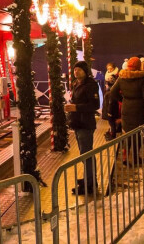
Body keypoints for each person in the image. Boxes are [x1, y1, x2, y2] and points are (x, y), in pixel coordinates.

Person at [64, 61, 100, 195]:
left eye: (79, 70)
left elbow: (95, 105)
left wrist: (76, 107)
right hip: (78, 123)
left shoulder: (90, 85)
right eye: (75, 70)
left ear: (85, 71)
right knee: (84, 154)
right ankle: (89, 179)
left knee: (87, 154)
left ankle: (90, 184)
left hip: (85, 124)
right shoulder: (76, 84)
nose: (76, 72)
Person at [110, 56, 144, 164]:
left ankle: (124, 157)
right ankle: (136, 157)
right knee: (138, 133)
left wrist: (123, 100)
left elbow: (112, 92)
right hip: (139, 109)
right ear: (138, 66)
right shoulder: (141, 79)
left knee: (126, 133)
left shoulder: (122, 77)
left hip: (126, 107)